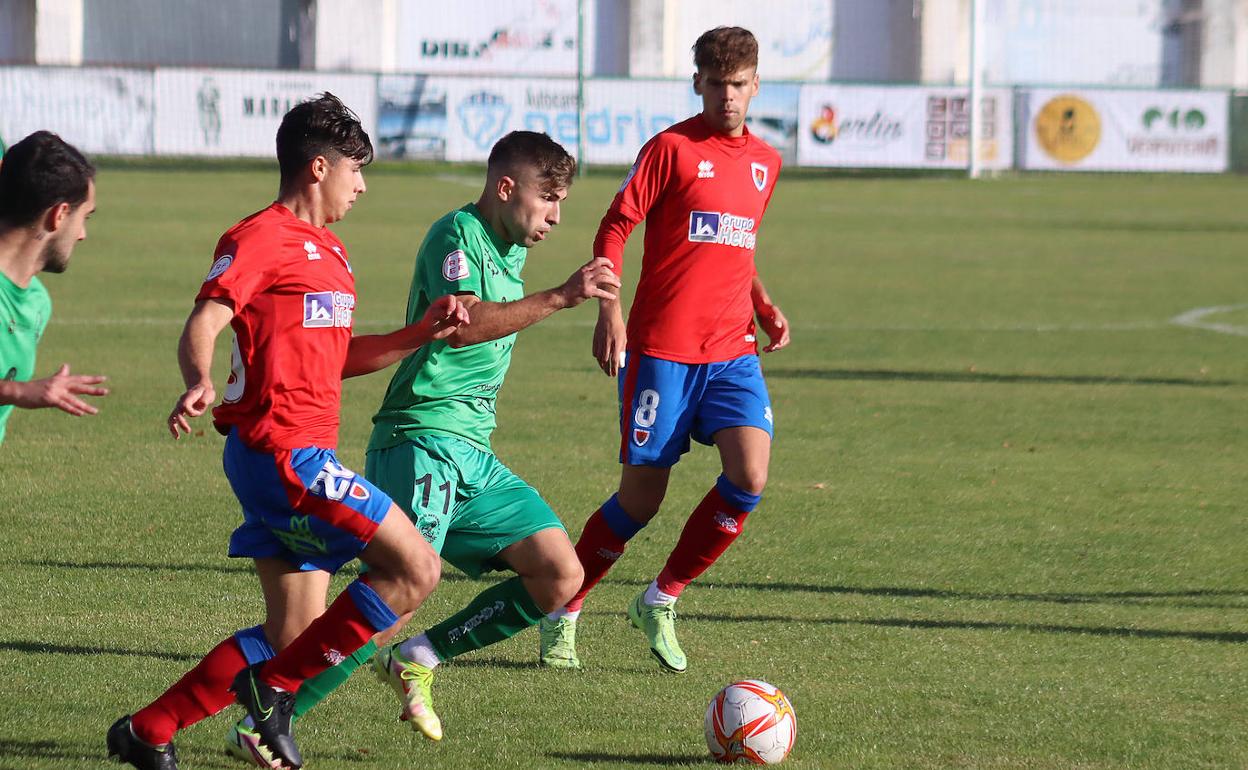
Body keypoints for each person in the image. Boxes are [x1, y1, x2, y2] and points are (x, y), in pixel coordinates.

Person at [219, 131, 616, 756]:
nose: (557, 217)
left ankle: (422, 655)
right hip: (420, 439)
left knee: (561, 573)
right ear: (506, 188)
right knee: (394, 598)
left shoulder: (509, 249)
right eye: (549, 199)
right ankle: (266, 718)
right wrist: (563, 296)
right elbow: (462, 328)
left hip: (473, 453)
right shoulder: (456, 236)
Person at [107, 93, 468, 770]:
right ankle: (271, 695)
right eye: (355, 171)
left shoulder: (333, 253)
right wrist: (198, 378)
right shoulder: (258, 237)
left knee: (293, 633)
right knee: (417, 567)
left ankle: (149, 729)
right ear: (316, 167)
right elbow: (207, 320)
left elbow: (336, 362)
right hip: (283, 453)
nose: (361, 186)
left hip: (289, 455)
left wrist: (421, 333)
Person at [539, 26, 791, 674]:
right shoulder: (671, 150)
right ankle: (565, 609)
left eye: (738, 85)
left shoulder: (767, 162)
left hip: (732, 349)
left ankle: (662, 596)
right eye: (716, 84)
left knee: (750, 475)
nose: (728, 97)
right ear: (698, 83)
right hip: (662, 351)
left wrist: (761, 303)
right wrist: (609, 309)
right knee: (640, 501)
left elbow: (737, 246)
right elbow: (617, 225)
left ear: (755, 84)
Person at [0, 131, 107, 444]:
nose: (82, 234)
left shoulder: (36, 302)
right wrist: (17, 390)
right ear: (59, 215)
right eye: (84, 217)